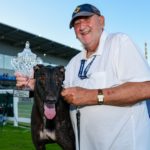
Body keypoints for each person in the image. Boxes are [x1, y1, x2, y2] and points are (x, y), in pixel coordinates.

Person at [15, 3, 150, 150]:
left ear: (101, 21)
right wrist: (34, 84)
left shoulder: (119, 42)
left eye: (86, 19)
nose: (81, 26)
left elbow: (145, 88)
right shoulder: (74, 61)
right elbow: (60, 92)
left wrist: (92, 96)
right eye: (76, 23)